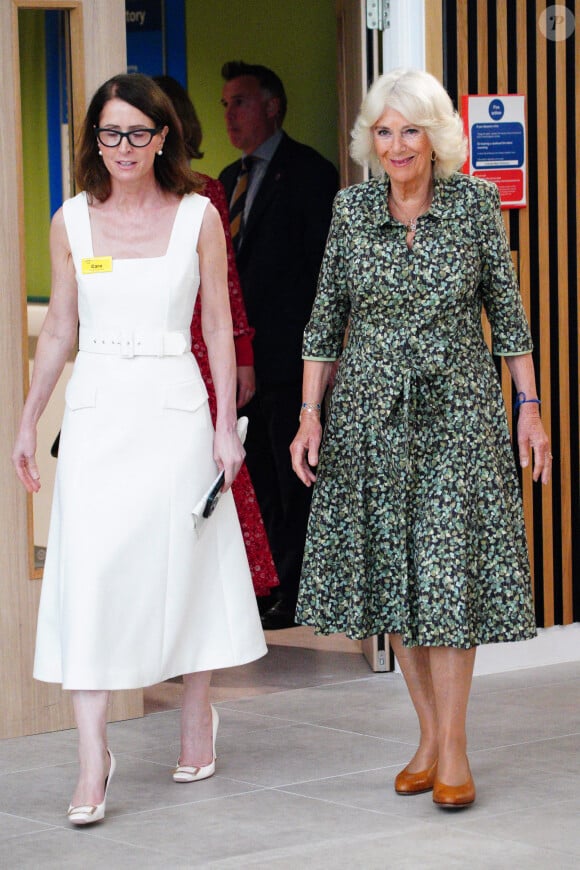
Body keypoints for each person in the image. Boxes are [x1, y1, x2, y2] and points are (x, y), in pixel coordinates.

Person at [290, 68, 551, 809]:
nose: (396, 144)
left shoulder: (474, 204)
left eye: (409, 130)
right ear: (368, 140)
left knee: (447, 575)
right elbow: (323, 321)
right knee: (397, 580)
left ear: (435, 138)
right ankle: (429, 738)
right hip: (370, 419)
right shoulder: (350, 210)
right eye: (382, 130)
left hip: (459, 415)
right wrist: (311, 414)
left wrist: (527, 406)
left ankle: (457, 745)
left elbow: (509, 315)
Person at [12, 73, 267, 825]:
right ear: (94, 140)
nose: (122, 148)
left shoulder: (198, 217)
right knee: (90, 574)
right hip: (97, 415)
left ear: (164, 138)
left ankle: (196, 710)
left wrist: (224, 425)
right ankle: (94, 757)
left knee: (183, 564)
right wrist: (29, 418)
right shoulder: (72, 223)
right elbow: (61, 327)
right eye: (109, 133)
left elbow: (218, 324)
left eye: (137, 133)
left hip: (175, 409)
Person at [219, 60, 339, 629]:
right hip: (240, 363)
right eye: (224, 105)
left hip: (294, 362)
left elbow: (326, 277)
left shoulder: (311, 174)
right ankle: (266, 586)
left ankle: (296, 593)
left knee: (297, 483)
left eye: (239, 102)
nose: (229, 114)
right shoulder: (224, 181)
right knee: (258, 477)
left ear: (271, 106)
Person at [153, 74, 279, 598]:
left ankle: (220, 591)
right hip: (146, 347)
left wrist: (243, 357)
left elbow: (227, 284)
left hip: (203, 347)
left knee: (209, 464)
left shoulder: (207, 191)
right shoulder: (101, 205)